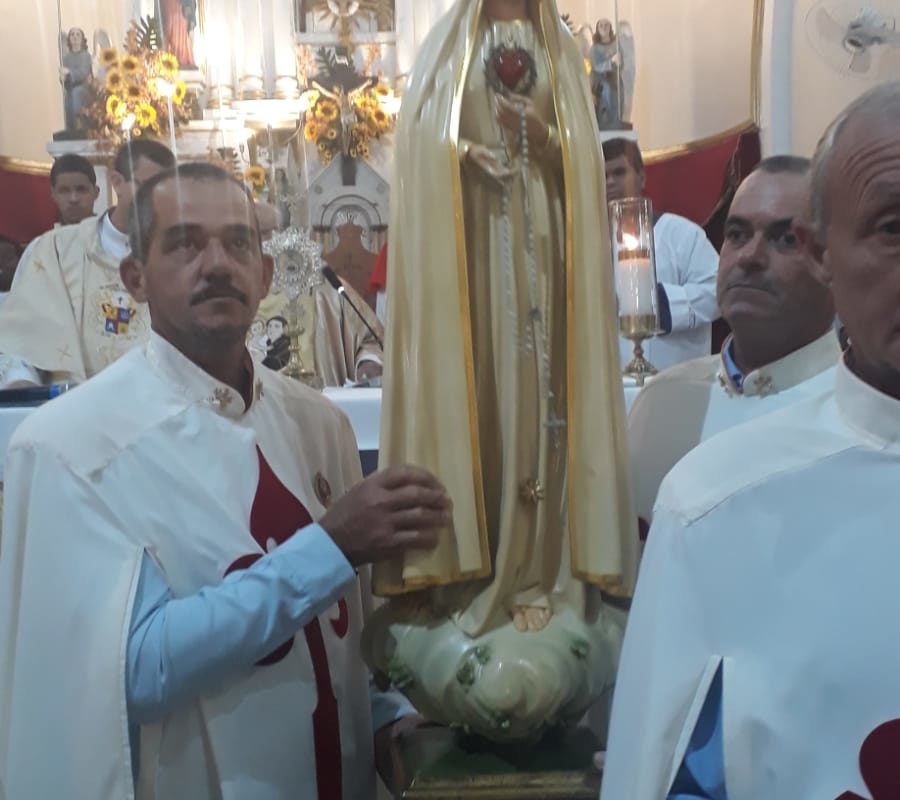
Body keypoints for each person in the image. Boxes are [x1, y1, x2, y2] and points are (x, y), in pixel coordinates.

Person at [0, 162, 450, 799]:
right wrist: (331, 547)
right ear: (135, 279)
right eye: (185, 243)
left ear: (264, 274)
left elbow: (342, 642)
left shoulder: (319, 424)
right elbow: (136, 672)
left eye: (238, 243)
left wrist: (389, 717)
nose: (216, 264)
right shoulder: (75, 446)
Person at [601, 82, 900, 800]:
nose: (749, 258)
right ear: (826, 254)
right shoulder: (706, 495)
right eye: (894, 226)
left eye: (777, 237)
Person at [374, 0, 635, 636]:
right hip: (469, 257)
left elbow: (584, 156)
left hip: (543, 246)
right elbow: (413, 142)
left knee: (537, 391)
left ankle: (537, 570)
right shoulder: (446, 47)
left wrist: (544, 139)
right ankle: (467, 570)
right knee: (482, 390)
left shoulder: (557, 48)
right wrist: (463, 152)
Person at [628, 156, 840, 528]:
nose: (749, 256)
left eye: (787, 239)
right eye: (737, 234)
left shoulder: (862, 410)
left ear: (834, 262)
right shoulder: (660, 402)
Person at [0, 139, 175, 388]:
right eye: (147, 186)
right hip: (69, 401)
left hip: (157, 399)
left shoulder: (179, 256)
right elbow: (21, 341)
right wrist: (23, 386)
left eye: (167, 189)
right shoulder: (55, 250)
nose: (157, 198)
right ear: (117, 182)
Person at [603, 137, 720, 371]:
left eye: (619, 172)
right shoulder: (591, 247)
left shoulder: (683, 234)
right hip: (615, 384)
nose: (610, 182)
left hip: (677, 379)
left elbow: (718, 291)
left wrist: (659, 304)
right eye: (603, 175)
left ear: (642, 177)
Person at [50, 153, 99, 225]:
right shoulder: (49, 233)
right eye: (64, 191)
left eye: (81, 190)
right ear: (54, 195)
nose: (74, 199)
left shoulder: (109, 232)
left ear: (96, 192)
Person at [61, 27, 92, 132]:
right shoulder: (66, 58)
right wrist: (63, 78)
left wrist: (69, 72)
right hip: (70, 88)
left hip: (82, 88)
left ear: (82, 39)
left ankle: (79, 129)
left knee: (76, 98)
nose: (75, 37)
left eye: (78, 34)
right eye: (72, 34)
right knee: (67, 105)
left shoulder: (85, 55)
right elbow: (64, 77)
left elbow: (84, 72)